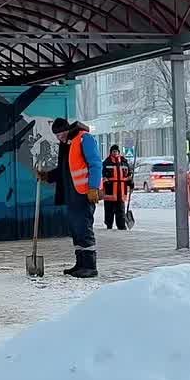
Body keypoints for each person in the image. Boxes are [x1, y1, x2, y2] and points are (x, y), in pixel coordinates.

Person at [44, 117, 103, 277]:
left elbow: (96, 164)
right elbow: (64, 169)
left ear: (68, 129)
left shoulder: (84, 138)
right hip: (71, 194)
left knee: (84, 228)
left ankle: (90, 266)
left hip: (84, 193)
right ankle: (80, 263)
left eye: (61, 133)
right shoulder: (66, 144)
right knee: (76, 229)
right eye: (56, 135)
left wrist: (93, 188)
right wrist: (47, 176)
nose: (59, 137)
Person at [100, 144, 134, 230]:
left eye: (116, 151)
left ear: (119, 152)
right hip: (110, 191)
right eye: (113, 151)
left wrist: (130, 182)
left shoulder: (124, 162)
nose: (115, 153)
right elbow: (103, 175)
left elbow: (129, 174)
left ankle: (121, 226)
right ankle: (109, 225)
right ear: (111, 152)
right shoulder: (106, 162)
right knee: (109, 211)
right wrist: (106, 181)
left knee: (120, 211)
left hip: (121, 192)